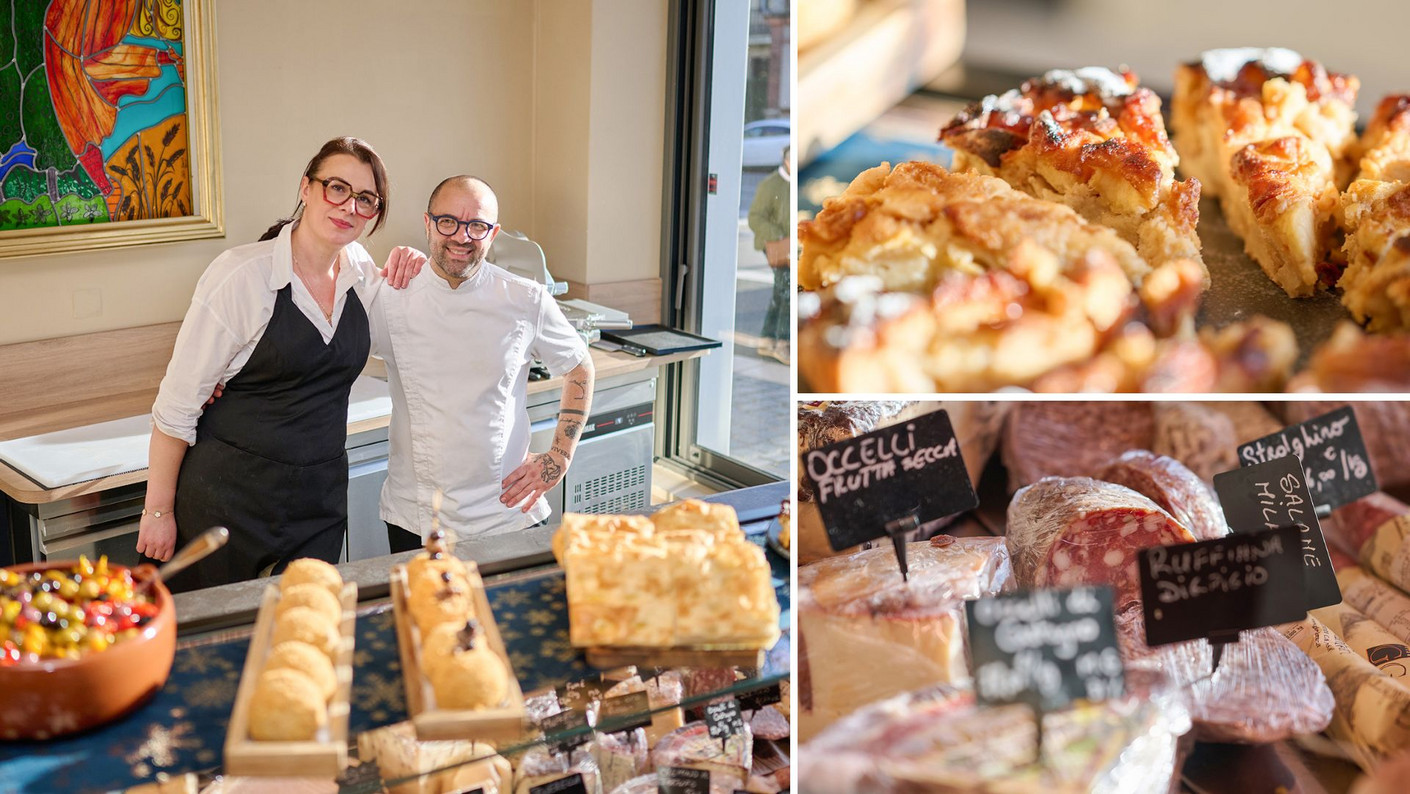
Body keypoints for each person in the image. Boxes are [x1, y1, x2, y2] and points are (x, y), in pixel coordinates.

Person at [135, 137, 422, 591]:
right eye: (337, 188)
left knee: (303, 634)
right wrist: (158, 512)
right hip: (227, 499)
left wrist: (415, 263)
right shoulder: (241, 277)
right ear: (306, 188)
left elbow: (409, 327)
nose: (349, 206)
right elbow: (175, 411)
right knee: (216, 644)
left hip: (319, 500)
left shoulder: (361, 273)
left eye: (365, 199)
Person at [369, 175, 595, 550]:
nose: (461, 237)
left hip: (506, 512)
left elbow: (579, 365)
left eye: (477, 226)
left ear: (493, 233)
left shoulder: (525, 299)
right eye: (448, 222)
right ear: (427, 223)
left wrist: (559, 456)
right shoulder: (391, 296)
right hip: (416, 516)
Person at [748, 144, 792, 364]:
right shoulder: (771, 185)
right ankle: (784, 342)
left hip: (790, 245)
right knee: (787, 291)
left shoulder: (792, 182)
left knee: (780, 291)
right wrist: (778, 235)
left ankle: (766, 339)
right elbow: (755, 217)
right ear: (786, 160)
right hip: (777, 245)